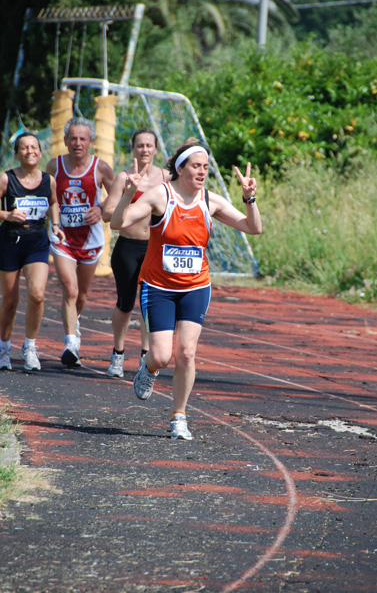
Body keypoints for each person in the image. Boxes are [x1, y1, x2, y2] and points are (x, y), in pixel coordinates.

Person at [110, 143, 262, 440]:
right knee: (162, 355)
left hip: (195, 287)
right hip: (159, 288)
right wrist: (129, 193)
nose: (202, 172)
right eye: (196, 166)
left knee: (187, 353)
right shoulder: (161, 195)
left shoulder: (210, 200)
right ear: (180, 168)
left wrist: (249, 198)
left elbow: (253, 227)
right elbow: (118, 222)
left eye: (205, 167)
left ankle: (179, 417)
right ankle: (149, 367)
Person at [102, 128, 170, 378]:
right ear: (133, 149)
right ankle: (117, 354)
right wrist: (129, 194)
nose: (144, 150)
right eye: (139, 145)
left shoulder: (167, 177)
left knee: (148, 305)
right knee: (125, 303)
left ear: (155, 148)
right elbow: (107, 214)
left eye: (149, 145)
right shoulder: (124, 178)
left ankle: (145, 356)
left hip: (155, 249)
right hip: (128, 248)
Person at [46, 117, 114, 367]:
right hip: (62, 238)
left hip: (90, 241)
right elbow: (44, 193)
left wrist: (101, 207)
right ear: (65, 141)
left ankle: (76, 324)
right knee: (70, 289)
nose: (77, 143)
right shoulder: (54, 166)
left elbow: (117, 198)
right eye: (73, 138)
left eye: (82, 139)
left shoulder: (102, 168)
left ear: (91, 142)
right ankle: (71, 342)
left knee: (82, 295)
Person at [0, 132, 65, 371]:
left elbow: (54, 202)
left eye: (34, 147)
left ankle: (29, 347)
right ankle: (3, 348)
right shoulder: (5, 179)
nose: (30, 151)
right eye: (24, 148)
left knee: (37, 295)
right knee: (10, 301)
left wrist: (56, 226)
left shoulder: (49, 180)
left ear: (40, 151)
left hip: (37, 241)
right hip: (9, 242)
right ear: (17, 153)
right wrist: (7, 215)